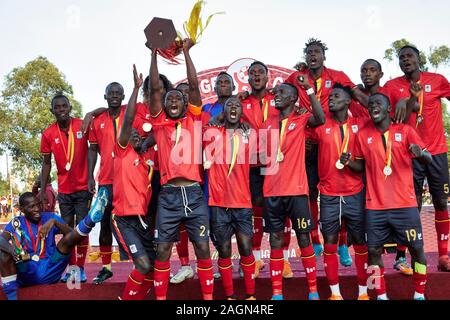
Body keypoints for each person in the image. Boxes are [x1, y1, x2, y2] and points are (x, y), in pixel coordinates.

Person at [286, 38, 367, 265]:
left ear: (324, 56)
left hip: (334, 144)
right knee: (309, 193)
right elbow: (278, 94)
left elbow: (355, 95)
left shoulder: (337, 76)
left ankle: (342, 244)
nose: (313, 55)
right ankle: (315, 240)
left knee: (339, 194)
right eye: (309, 52)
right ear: (305, 57)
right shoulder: (296, 77)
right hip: (307, 145)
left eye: (317, 52)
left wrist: (374, 104)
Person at [342, 93, 431, 300]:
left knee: (417, 250)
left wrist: (420, 153)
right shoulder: (363, 135)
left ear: (388, 109)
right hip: (375, 207)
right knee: (373, 252)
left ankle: (419, 294)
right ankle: (381, 296)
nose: (373, 106)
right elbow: (360, 167)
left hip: (404, 205)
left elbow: (427, 157)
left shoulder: (406, 130)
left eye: (378, 103)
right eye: (371, 103)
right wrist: (348, 162)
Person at [146, 38, 214, 300]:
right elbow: (154, 89)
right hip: (170, 196)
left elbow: (194, 85)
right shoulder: (160, 124)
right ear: (163, 106)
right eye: (169, 99)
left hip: (194, 194)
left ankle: (207, 300)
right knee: (163, 250)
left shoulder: (194, 120)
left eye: (178, 98)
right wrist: (153, 55)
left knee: (202, 247)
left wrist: (185, 52)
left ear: (186, 105)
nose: (173, 101)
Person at [383, 45, 450, 272]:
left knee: (441, 202)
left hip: (437, 151)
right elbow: (378, 109)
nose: (405, 60)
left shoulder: (437, 80)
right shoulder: (392, 86)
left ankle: (443, 255)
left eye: (409, 56)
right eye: (401, 57)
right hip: (407, 154)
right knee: (412, 205)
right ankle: (401, 255)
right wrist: (402, 103)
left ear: (418, 59)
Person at [260, 79, 325, 300]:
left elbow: (321, 118)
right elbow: (260, 157)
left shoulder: (302, 118)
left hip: (296, 191)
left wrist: (309, 89)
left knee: (304, 239)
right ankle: (277, 293)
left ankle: (313, 291)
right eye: (275, 92)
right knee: (276, 240)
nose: (276, 95)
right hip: (272, 191)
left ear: (293, 98)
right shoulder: (267, 123)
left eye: (281, 92)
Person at [310, 83, 369, 300]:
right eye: (329, 96)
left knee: (361, 243)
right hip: (328, 194)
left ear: (347, 101)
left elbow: (362, 167)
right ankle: (335, 294)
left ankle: (363, 293)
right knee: (330, 242)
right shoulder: (321, 126)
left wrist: (351, 162)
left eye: (335, 96)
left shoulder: (360, 124)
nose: (330, 99)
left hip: (355, 192)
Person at [354, 59, 413, 276]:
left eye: (372, 70)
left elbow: (406, 114)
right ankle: (373, 288)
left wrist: (406, 99)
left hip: (395, 159)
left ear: (380, 73)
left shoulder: (390, 91)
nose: (367, 74)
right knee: (372, 244)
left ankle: (401, 256)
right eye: (363, 70)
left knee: (406, 214)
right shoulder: (354, 96)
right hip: (366, 157)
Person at [0, 190, 108, 300]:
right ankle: (12, 298)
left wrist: (55, 222)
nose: (37, 209)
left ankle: (90, 220)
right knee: (3, 252)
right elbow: (1, 240)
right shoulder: (16, 222)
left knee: (65, 242)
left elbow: (73, 236)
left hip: (51, 266)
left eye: (38, 205)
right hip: (26, 270)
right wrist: (12, 251)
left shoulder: (50, 217)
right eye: (32, 206)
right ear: (22, 209)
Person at [240, 61, 293, 279]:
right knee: (256, 208)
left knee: (280, 209)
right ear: (248, 78)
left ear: (268, 76)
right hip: (252, 164)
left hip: (276, 163)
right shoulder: (241, 102)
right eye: (252, 73)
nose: (256, 76)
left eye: (260, 72)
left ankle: (284, 259)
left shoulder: (277, 98)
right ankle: (255, 258)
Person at [108, 65, 157, 300]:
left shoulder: (148, 158)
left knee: (154, 267)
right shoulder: (122, 152)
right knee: (143, 265)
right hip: (124, 220)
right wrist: (136, 89)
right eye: (132, 135)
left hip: (143, 222)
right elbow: (128, 121)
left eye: (139, 135)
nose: (134, 136)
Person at [204, 96, 256, 300]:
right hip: (218, 201)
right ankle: (230, 296)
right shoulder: (213, 132)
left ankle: (251, 294)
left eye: (237, 106)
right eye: (229, 106)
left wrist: (243, 121)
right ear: (223, 112)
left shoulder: (249, 133)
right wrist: (221, 115)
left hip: (242, 201)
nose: (233, 109)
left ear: (242, 112)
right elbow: (207, 126)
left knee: (245, 247)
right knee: (224, 250)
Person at [40, 94, 92, 283]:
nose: (61, 109)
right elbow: (46, 163)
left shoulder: (81, 125)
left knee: (83, 227)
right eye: (57, 107)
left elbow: (94, 148)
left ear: (70, 107)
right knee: (67, 228)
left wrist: (94, 176)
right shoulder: (48, 134)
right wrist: (43, 189)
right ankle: (71, 269)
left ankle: (81, 268)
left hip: (83, 186)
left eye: (64, 106)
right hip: (64, 189)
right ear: (52, 110)